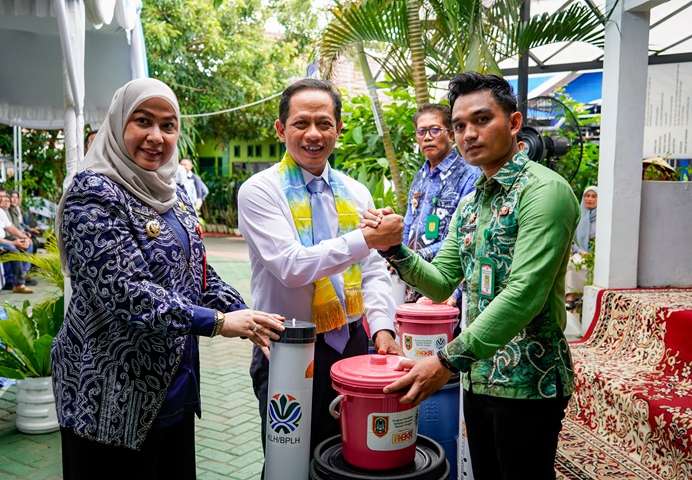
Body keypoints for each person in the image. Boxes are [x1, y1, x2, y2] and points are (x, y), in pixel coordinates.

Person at [52, 77, 285, 480]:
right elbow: (123, 290)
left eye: (168, 125)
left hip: (171, 388)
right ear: (118, 123)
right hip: (110, 394)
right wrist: (217, 322)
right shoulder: (92, 192)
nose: (156, 137)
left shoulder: (174, 193)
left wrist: (245, 314)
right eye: (143, 121)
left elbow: (197, 271)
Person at [362, 72, 580, 480]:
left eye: (482, 120)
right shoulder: (471, 203)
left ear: (514, 123)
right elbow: (441, 280)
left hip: (528, 380)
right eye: (460, 125)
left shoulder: (544, 192)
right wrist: (393, 248)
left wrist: (446, 360)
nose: (469, 134)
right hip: (477, 375)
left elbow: (524, 294)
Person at [237, 78, 403, 462]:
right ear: (281, 130)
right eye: (301, 123)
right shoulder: (260, 191)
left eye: (324, 123)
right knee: (288, 463)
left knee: (349, 456)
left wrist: (382, 327)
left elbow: (371, 269)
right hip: (287, 348)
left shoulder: (355, 193)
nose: (313, 134)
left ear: (338, 129)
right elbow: (292, 265)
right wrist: (367, 238)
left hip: (352, 346)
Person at [402, 103, 480, 305]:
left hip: (446, 282)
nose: (427, 137)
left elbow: (467, 236)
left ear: (451, 134)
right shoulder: (420, 176)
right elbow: (408, 223)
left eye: (435, 130)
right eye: (421, 132)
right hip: (413, 277)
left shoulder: (469, 174)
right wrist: (399, 255)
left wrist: (416, 256)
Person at [0, 184, 34, 293]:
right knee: (13, 249)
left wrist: (24, 237)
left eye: (3, 196)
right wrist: (14, 243)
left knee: (29, 243)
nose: (1, 199)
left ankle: (22, 275)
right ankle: (16, 283)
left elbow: (10, 227)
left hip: (3, 239)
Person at [565, 185, 598, 309]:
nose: (590, 199)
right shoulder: (577, 216)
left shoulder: (603, 217)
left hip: (597, 254)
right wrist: (580, 251)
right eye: (587, 196)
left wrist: (594, 253)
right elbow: (572, 240)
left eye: (593, 196)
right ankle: (570, 297)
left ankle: (587, 297)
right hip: (580, 252)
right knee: (571, 264)